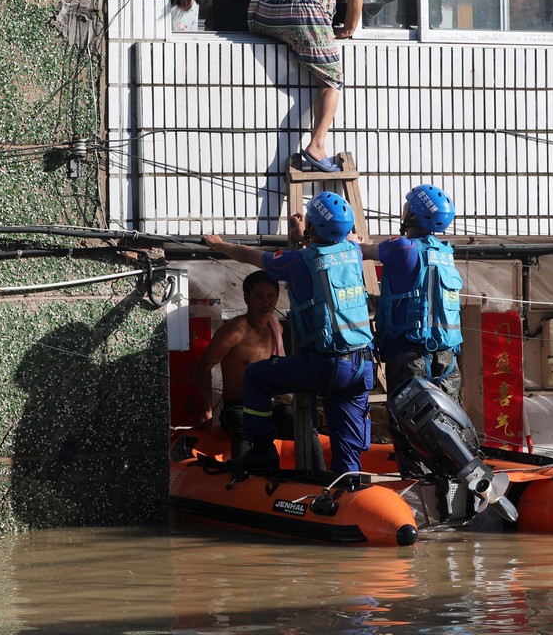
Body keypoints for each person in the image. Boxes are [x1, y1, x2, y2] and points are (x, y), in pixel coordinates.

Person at [200, 191, 374, 476]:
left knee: (256, 377)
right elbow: (327, 251)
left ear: (314, 225)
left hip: (325, 365)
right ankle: (347, 486)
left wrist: (218, 244)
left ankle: (263, 454)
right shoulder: (353, 252)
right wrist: (306, 236)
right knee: (346, 443)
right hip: (361, 366)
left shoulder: (296, 261)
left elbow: (247, 254)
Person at [355, 184, 463, 477]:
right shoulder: (445, 253)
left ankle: (416, 490)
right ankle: (451, 484)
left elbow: (360, 251)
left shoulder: (401, 247)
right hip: (448, 359)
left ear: (413, 217)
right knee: (446, 424)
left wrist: (350, 238)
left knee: (409, 425)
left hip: (410, 354)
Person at [248, 0, 364, 173]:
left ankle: (298, 39)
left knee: (301, 37)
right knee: (331, 78)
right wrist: (348, 28)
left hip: (260, 10)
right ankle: (317, 145)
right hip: (304, 11)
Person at [194, 271, 285, 457]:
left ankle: (315, 480)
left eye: (270, 297)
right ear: (246, 298)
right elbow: (204, 365)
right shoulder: (235, 329)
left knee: (304, 426)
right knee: (245, 429)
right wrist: (207, 411)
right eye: (258, 297)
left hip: (271, 403)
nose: (265, 303)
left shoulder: (277, 327)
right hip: (238, 406)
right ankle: (242, 481)